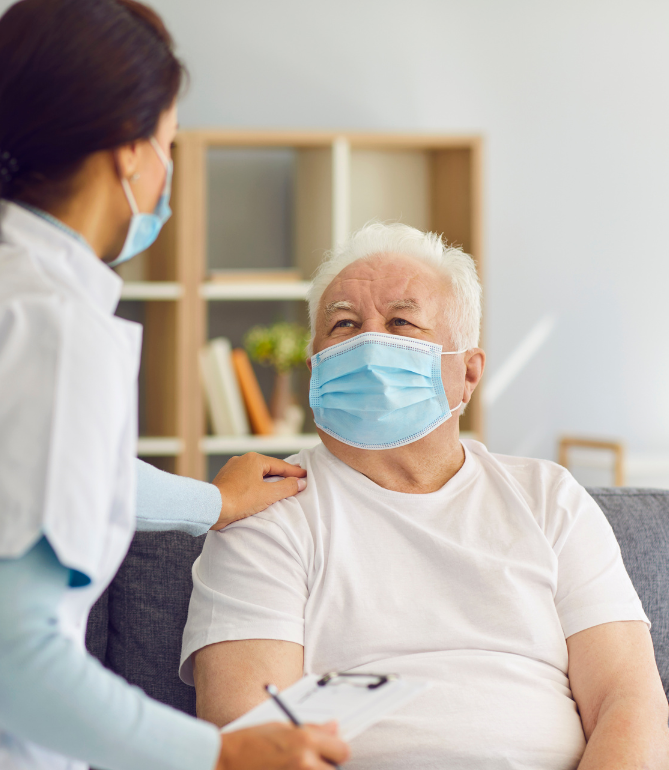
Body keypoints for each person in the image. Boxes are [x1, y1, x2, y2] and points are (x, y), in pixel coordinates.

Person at [0, 2, 349, 769]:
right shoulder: (50, 328)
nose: (169, 172)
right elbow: (6, 661)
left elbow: (37, 472)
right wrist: (223, 756)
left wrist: (211, 504)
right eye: (170, 144)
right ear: (130, 154)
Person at [181, 222, 669, 769]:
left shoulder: (549, 498)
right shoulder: (266, 509)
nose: (369, 343)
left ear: (469, 374)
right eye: (342, 324)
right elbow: (250, 737)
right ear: (314, 366)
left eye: (401, 322)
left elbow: (630, 703)